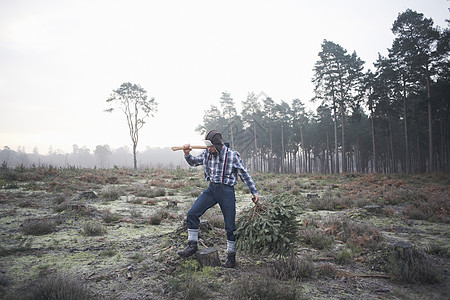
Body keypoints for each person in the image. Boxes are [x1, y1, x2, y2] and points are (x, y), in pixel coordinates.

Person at [178, 130, 259, 268]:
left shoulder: (232, 155)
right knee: (192, 214)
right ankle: (192, 245)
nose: (208, 149)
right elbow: (193, 162)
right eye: (207, 146)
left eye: (211, 146)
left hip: (227, 191)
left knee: (230, 226)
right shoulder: (207, 154)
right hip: (212, 190)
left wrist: (254, 192)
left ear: (218, 145)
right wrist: (187, 153)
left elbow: (244, 174)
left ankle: (231, 257)